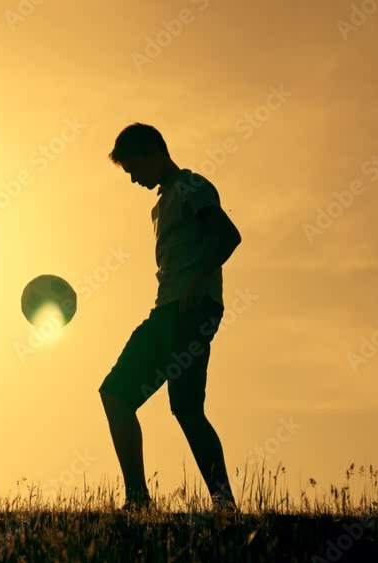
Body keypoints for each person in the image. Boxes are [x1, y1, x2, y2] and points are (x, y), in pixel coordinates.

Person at [99, 123, 242, 511]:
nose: (132, 178)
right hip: (165, 313)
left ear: (153, 154)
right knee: (115, 393)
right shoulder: (160, 204)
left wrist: (197, 284)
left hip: (192, 312)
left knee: (187, 407)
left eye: (133, 168)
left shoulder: (192, 186)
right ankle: (139, 500)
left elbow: (228, 235)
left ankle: (225, 505)